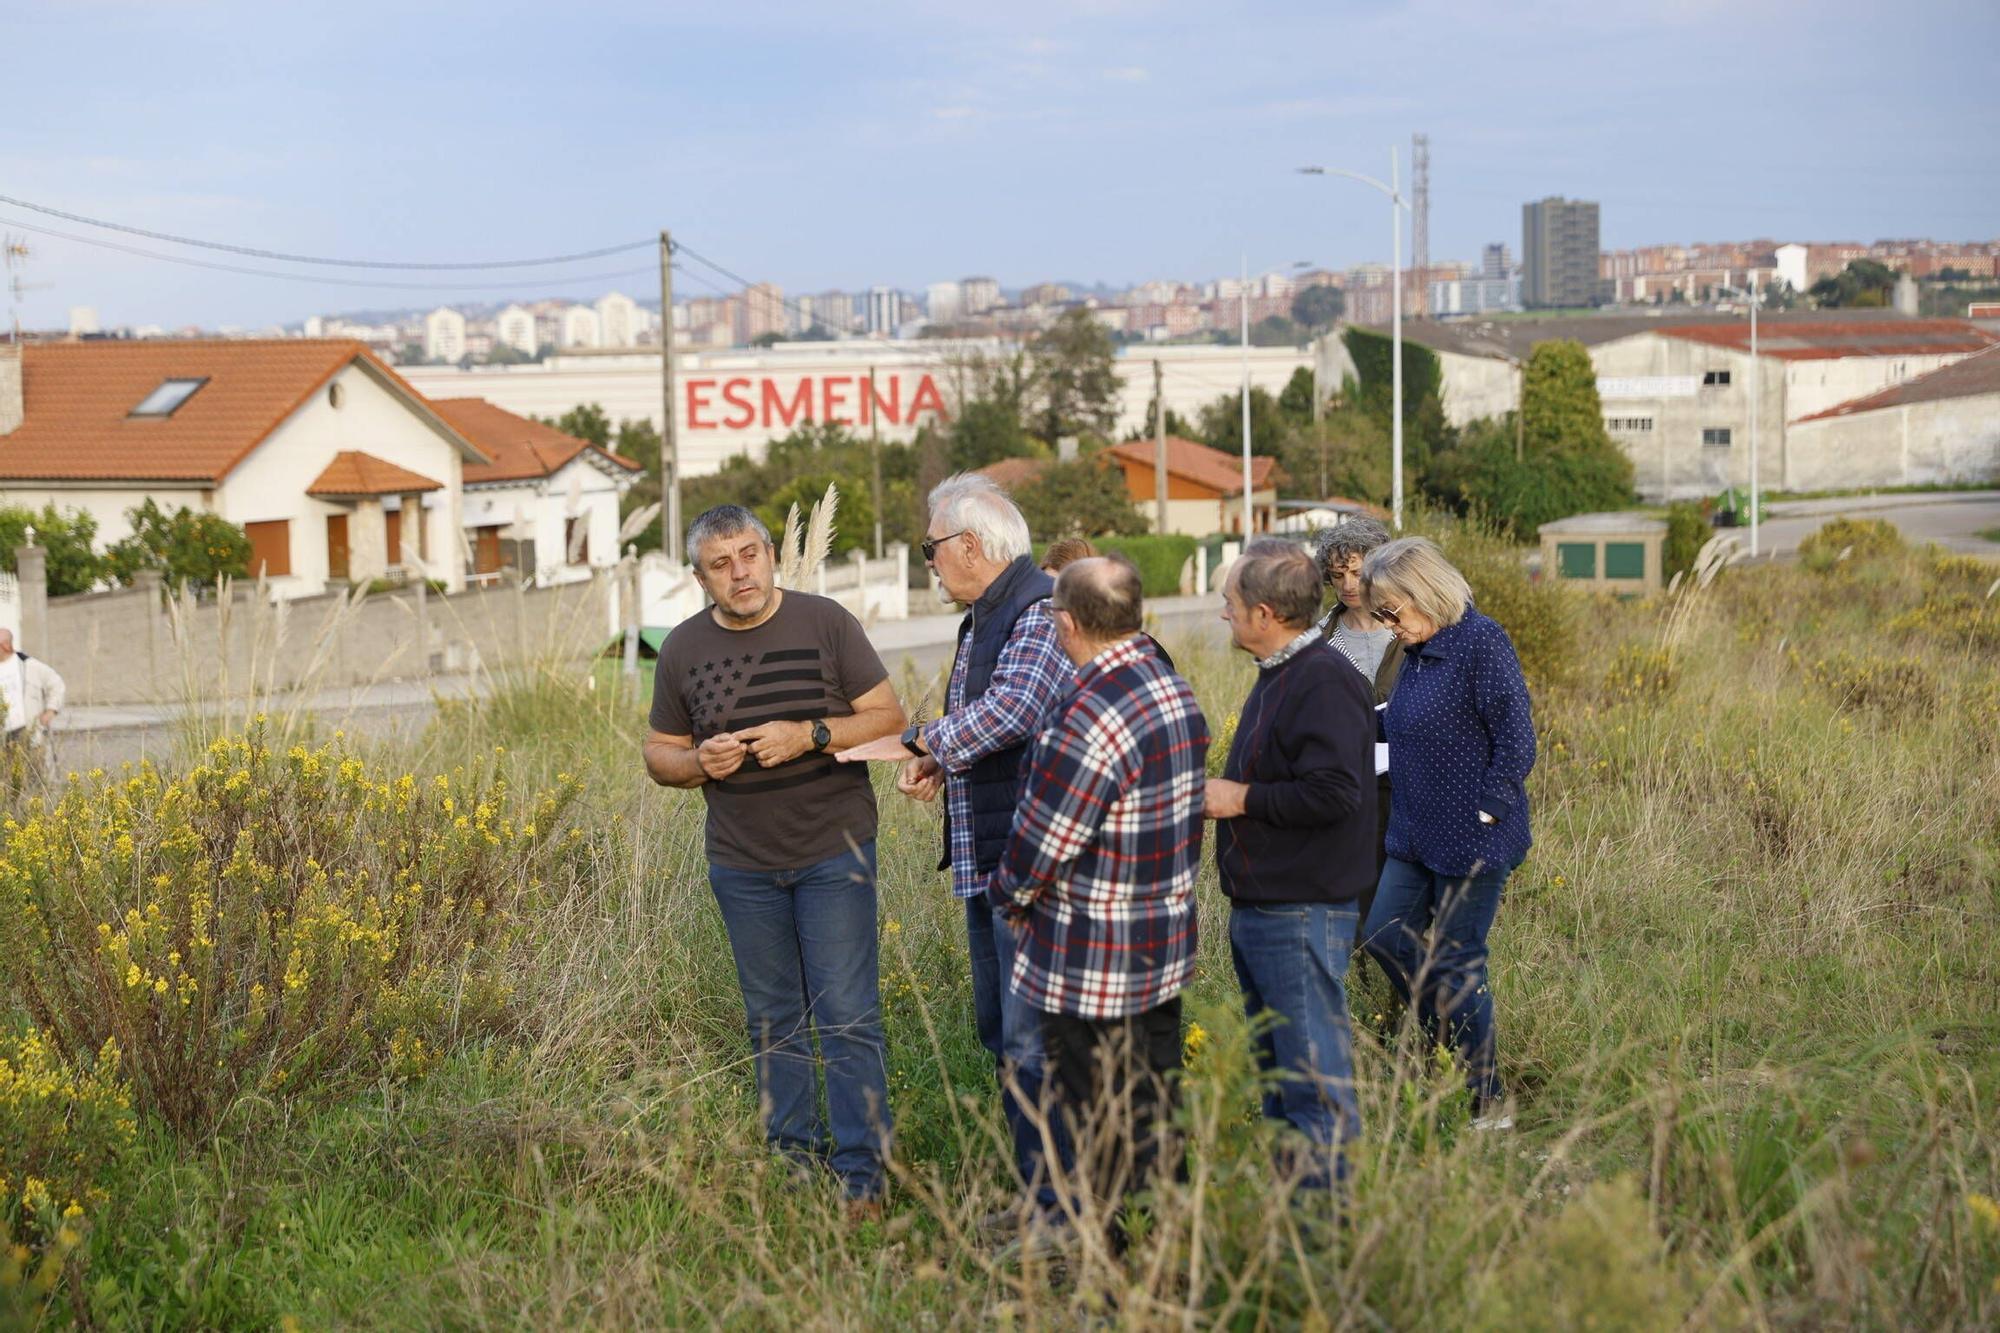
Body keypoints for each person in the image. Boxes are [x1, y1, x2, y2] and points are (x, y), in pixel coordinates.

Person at [644, 504, 908, 1214]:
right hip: (743, 863)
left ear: (770, 554)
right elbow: (658, 754)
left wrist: (812, 733)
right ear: (700, 578)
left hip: (834, 853)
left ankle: (863, 1176)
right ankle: (794, 1169)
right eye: (721, 563)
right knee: (774, 1019)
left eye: (749, 554)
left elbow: (890, 717)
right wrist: (699, 759)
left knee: (848, 1015)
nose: (741, 572)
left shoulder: (827, 622)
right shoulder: (681, 649)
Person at [836, 474, 1075, 1233]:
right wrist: (945, 756)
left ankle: (1064, 1214)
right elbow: (987, 721)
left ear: (972, 546)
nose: (930, 562)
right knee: (1006, 1040)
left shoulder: (1039, 608)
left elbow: (1017, 706)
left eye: (934, 549)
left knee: (1036, 1046)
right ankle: (1039, 1200)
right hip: (991, 862)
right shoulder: (985, 614)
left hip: (1033, 867)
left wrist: (918, 740)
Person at [986, 556, 1209, 1251]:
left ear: (1068, 623)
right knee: (1153, 1104)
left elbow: (1039, 847)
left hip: (1093, 958)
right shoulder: (1172, 689)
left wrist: (1008, 896)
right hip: (1160, 945)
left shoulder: (1087, 715)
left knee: (1098, 1116)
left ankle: (1120, 1262)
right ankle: (1163, 1241)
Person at [1206, 540, 1375, 1192]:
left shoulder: (1323, 679)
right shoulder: (1283, 670)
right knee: (1282, 1080)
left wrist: (1238, 797)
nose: (1225, 614)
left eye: (1231, 603)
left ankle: (1326, 1249)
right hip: (1269, 906)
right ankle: (1291, 1231)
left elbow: (1335, 792)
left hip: (1300, 909)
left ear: (1266, 613)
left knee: (1314, 1086)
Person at [1357, 537, 1535, 1131]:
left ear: (1426, 593)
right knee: (1383, 933)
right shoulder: (1418, 650)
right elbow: (1406, 725)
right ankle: (1448, 1036)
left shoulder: (1480, 641)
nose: (1387, 626)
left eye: (1392, 612)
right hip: (1412, 833)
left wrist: (1490, 808)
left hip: (1473, 839)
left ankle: (1488, 1096)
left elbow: (1517, 733)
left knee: (1460, 964)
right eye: (1380, 615)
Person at [1314, 517, 1401, 907]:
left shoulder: (1412, 630)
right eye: (1337, 575)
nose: (1349, 585)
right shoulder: (1319, 641)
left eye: (1356, 571)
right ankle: (1359, 963)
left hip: (1408, 786)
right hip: (1348, 788)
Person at [0, 629, 64, 785]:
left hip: (27, 730)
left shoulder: (29, 665)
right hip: (3, 734)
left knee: (35, 776)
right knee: (8, 780)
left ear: (6, 645)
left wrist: (51, 710)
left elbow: (56, 684)